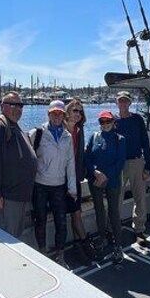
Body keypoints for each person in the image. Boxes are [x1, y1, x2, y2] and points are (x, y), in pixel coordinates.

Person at [0, 92, 37, 238]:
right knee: (2, 240)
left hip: (18, 197)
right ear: (1, 106)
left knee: (13, 237)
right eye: (12, 104)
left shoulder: (14, 126)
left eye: (20, 105)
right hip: (5, 200)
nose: (17, 109)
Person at [30, 100, 76, 264]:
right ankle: (43, 252)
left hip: (59, 186)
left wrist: (72, 187)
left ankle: (60, 255)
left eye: (60, 113)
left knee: (61, 223)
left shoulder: (67, 136)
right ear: (48, 114)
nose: (57, 116)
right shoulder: (37, 133)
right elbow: (27, 159)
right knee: (40, 221)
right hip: (40, 185)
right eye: (53, 113)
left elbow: (70, 163)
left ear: (64, 115)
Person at [85, 110, 126, 262]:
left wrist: (105, 176)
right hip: (96, 180)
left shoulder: (119, 139)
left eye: (108, 121)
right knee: (99, 210)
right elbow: (87, 158)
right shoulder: (94, 137)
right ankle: (102, 238)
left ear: (113, 123)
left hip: (113, 180)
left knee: (114, 212)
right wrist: (95, 172)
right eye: (102, 121)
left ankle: (118, 245)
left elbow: (120, 162)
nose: (105, 124)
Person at [115, 90, 150, 239]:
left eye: (126, 100)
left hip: (137, 162)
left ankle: (139, 229)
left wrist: (148, 166)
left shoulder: (137, 119)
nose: (123, 103)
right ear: (116, 102)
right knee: (117, 198)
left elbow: (145, 143)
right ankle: (114, 228)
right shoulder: (112, 120)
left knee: (140, 197)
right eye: (120, 100)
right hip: (119, 164)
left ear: (130, 102)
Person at [64, 99, 87, 246]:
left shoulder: (79, 130)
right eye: (75, 110)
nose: (78, 114)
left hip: (74, 178)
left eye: (80, 111)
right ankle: (82, 244)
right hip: (60, 179)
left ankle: (81, 244)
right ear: (67, 112)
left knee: (76, 212)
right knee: (62, 217)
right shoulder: (60, 128)